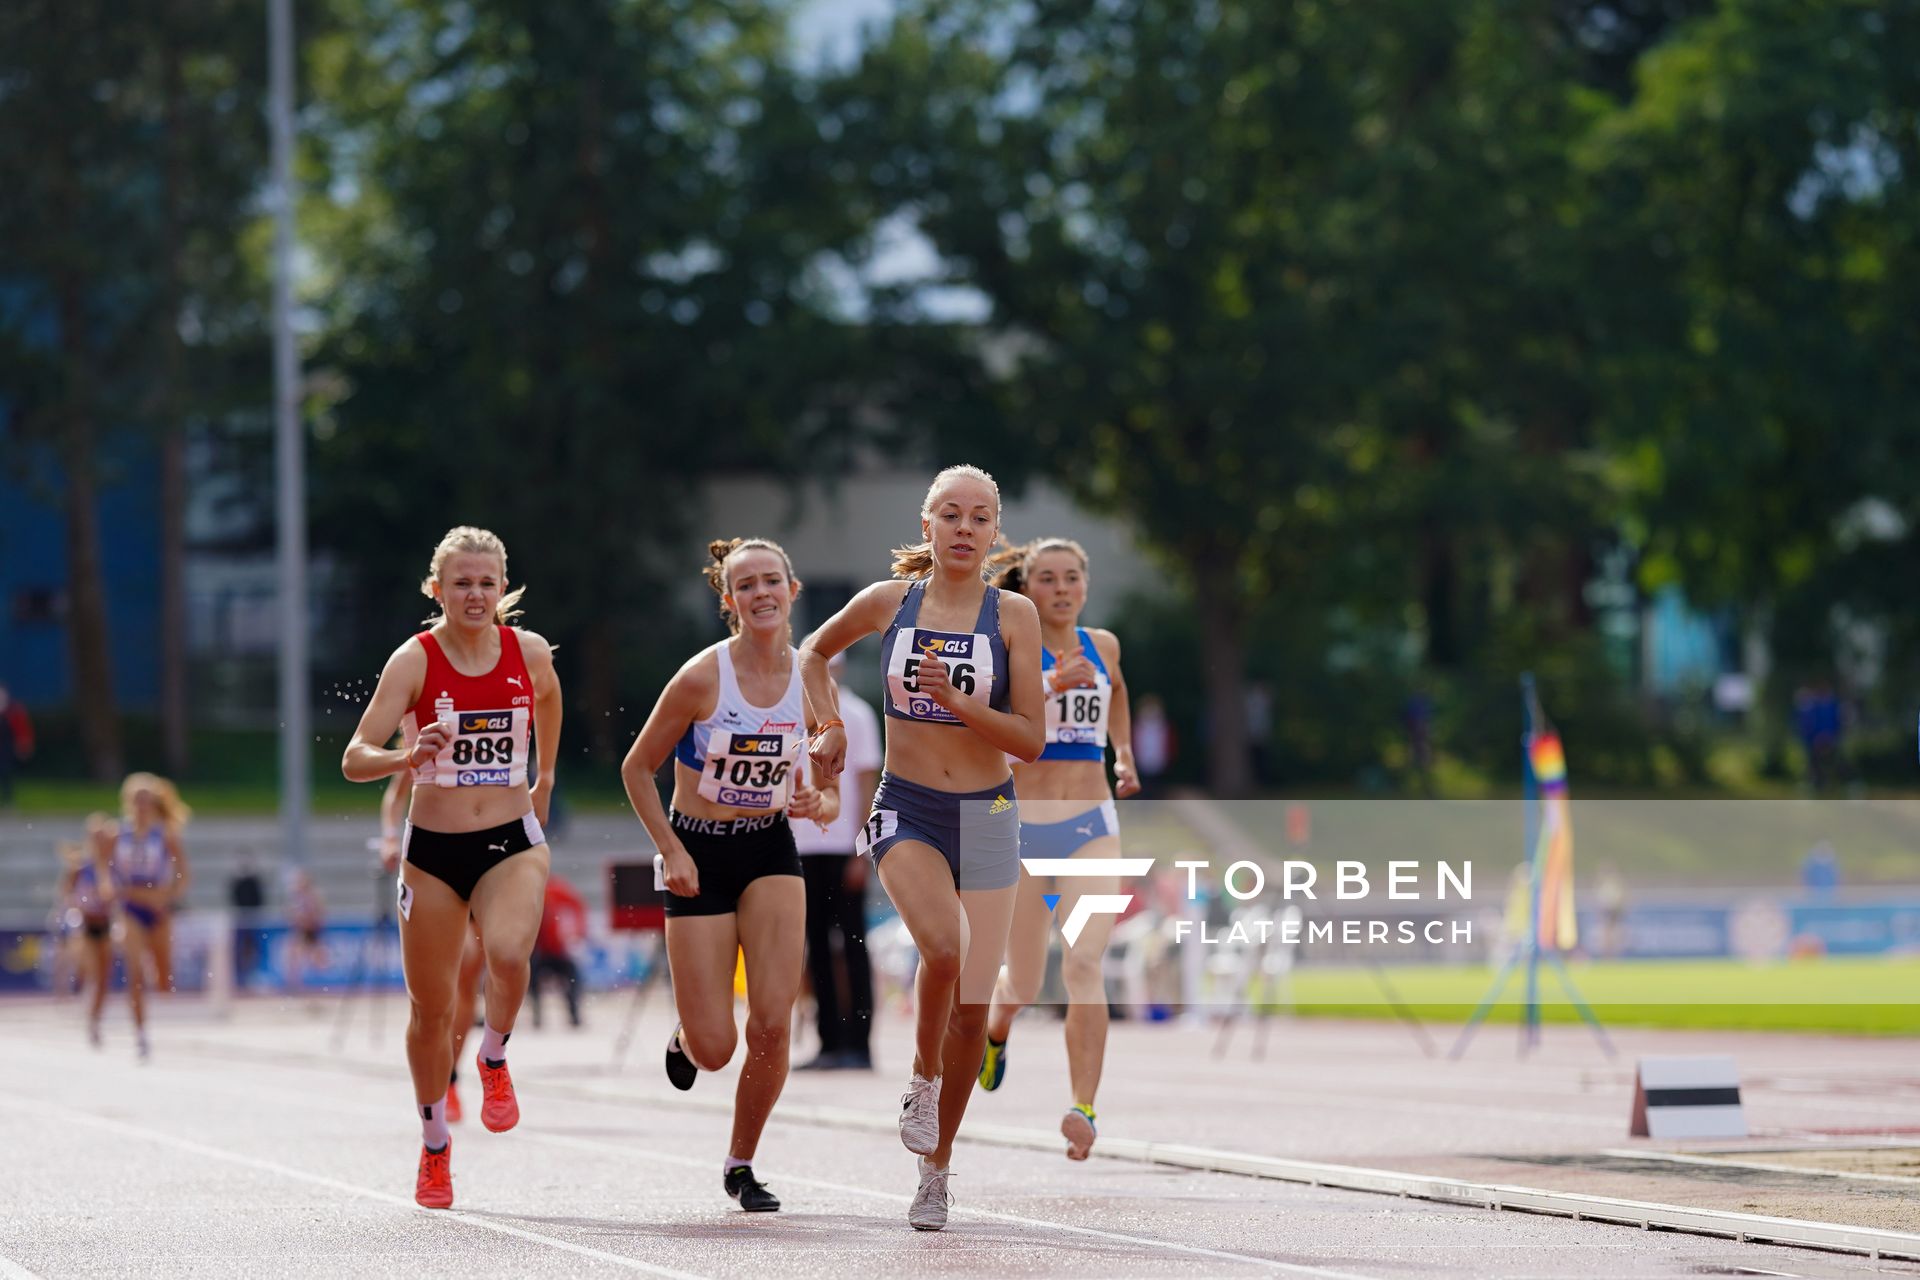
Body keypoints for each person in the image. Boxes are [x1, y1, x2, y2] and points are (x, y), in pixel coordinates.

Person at [800, 464, 1045, 1231]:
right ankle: (920, 1079)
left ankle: (935, 1173)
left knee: (973, 1007)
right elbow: (811, 654)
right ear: (927, 524)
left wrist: (960, 703)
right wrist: (830, 727)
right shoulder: (888, 603)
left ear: (995, 533)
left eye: (979, 517)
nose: (965, 528)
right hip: (908, 807)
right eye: (951, 515)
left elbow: (1031, 740)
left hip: (990, 812)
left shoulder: (1014, 617)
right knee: (944, 948)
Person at [342, 525, 561, 1210]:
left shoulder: (526, 652)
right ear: (436, 589)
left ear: (503, 589)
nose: (474, 593)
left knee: (507, 952)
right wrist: (407, 758)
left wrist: (544, 776)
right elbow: (354, 757)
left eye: (486, 582)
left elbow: (549, 699)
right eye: (461, 583)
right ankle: (435, 1144)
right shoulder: (414, 661)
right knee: (431, 1010)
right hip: (433, 853)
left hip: (510, 838)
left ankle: (493, 1056)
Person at [620, 537, 829, 1214]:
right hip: (698, 854)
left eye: (773, 581)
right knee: (716, 1047)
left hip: (769, 848)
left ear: (792, 591)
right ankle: (686, 1035)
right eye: (747, 585)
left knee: (773, 1023)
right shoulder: (702, 678)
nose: (762, 593)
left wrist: (813, 800)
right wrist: (671, 850)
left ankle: (742, 1164)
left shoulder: (814, 678)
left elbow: (826, 790)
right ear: (729, 600)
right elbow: (635, 769)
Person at [977, 538, 1139, 1160]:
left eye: (1073, 577)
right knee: (1021, 979)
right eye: (1048, 578)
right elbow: (985, 722)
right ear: (1027, 588)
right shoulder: (1008, 647)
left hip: (1091, 827)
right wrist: (1047, 683)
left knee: (1081, 965)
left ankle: (1083, 1108)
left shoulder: (1105, 645)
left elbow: (1117, 691)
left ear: (1086, 586)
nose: (1062, 588)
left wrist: (1121, 753)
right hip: (1021, 828)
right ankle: (997, 1023)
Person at [794, 651, 883, 1071]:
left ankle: (860, 1043)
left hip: (842, 845)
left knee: (852, 944)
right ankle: (828, 1041)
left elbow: (867, 785)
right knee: (816, 944)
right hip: (803, 846)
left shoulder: (857, 714)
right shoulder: (793, 713)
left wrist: (861, 849)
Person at [114, 773, 191, 1058]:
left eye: (146, 800)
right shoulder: (117, 834)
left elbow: (184, 874)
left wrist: (169, 896)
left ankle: (152, 974)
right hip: (130, 909)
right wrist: (110, 886)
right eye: (137, 800)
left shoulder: (166, 835)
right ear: (128, 802)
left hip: (158, 909)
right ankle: (140, 1033)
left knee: (163, 980)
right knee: (133, 972)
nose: (141, 806)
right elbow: (101, 867)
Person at [60, 817, 118, 1043]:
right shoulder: (81, 868)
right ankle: (79, 985)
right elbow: (66, 895)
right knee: (90, 968)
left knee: (104, 977)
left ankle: (95, 1018)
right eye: (96, 839)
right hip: (84, 924)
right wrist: (82, 904)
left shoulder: (114, 866)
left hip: (105, 924)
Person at [529, 872, 587, 1029]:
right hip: (542, 950)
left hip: (555, 950)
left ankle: (573, 1015)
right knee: (532, 980)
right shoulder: (545, 892)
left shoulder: (554, 892)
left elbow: (577, 909)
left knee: (572, 978)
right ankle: (539, 1015)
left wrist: (577, 934)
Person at [1132, 695, 1174, 796]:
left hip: (1159, 760)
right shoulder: (1138, 726)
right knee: (1144, 786)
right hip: (1142, 760)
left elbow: (1169, 743)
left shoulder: (1164, 726)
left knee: (1157, 787)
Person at [0, 683, 33, 806]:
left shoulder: (13, 711)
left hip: (6, 749)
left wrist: (24, 745)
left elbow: (22, 730)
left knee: (6, 773)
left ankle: (8, 799)